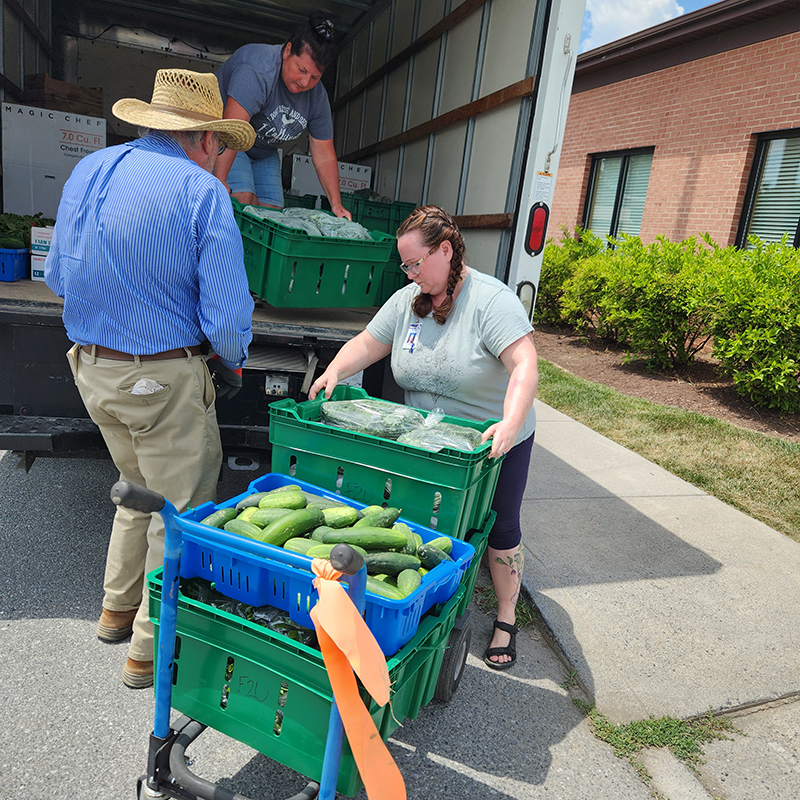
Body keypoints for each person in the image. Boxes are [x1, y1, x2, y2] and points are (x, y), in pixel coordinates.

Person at [44, 68, 256, 689]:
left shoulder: (90, 170)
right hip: (161, 378)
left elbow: (57, 276)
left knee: (135, 486)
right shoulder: (202, 193)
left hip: (92, 370)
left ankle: (115, 610)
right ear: (205, 140)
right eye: (219, 143)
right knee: (181, 511)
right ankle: (147, 652)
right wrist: (233, 359)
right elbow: (225, 320)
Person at [309, 205, 539, 670]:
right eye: (405, 265)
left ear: (446, 250)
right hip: (428, 442)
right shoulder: (408, 299)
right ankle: (430, 605)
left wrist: (510, 424)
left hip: (489, 442)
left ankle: (506, 616)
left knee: (499, 526)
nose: (411, 273)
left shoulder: (490, 301)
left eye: (417, 263)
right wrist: (334, 370)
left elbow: (525, 364)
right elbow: (368, 344)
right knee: (425, 523)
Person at [215, 13, 352, 219]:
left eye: (314, 77)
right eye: (301, 70)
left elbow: (323, 153)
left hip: (264, 150)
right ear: (287, 51)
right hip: (227, 139)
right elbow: (232, 130)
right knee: (242, 199)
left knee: (272, 215)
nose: (305, 82)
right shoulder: (258, 69)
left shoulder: (317, 97)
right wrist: (219, 180)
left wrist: (336, 203)